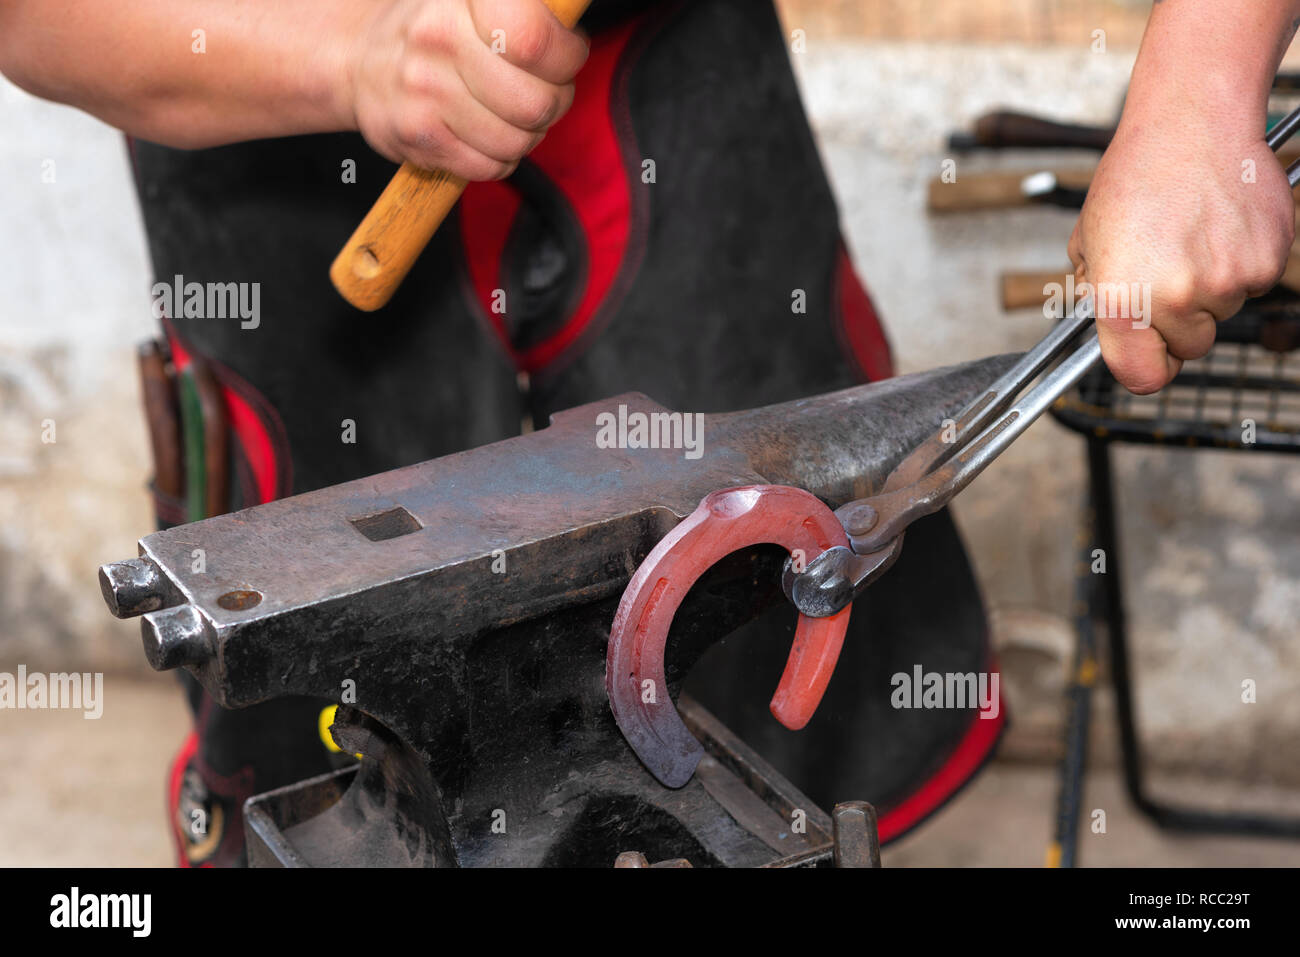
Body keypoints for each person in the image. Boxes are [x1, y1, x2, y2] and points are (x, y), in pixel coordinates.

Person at [1, 0, 1293, 866]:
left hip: (657, 115)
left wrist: (1196, 97)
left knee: (764, 697)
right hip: (247, 121)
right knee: (330, 735)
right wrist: (352, 60)